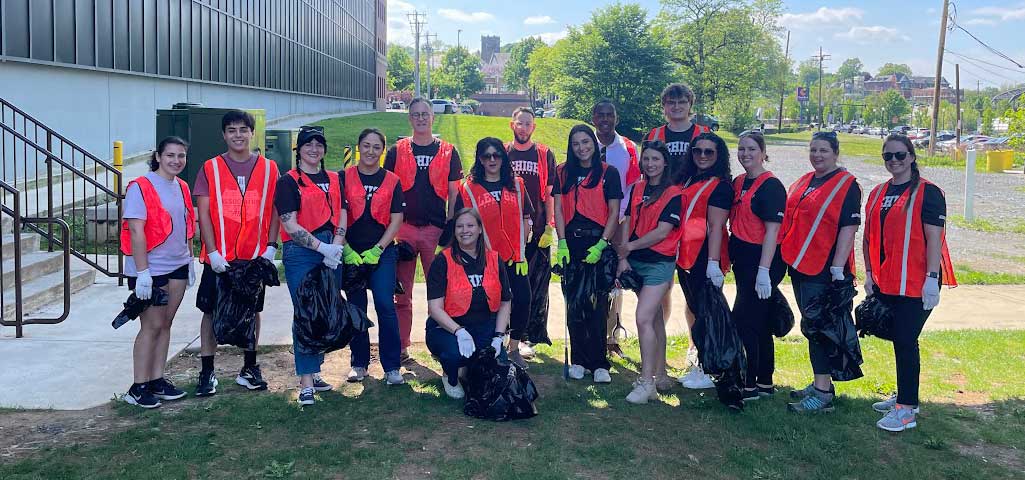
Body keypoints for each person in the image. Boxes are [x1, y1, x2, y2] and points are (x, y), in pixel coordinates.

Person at [863, 134, 956, 431]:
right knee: (899, 339)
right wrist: (869, 275)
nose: (894, 161)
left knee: (904, 339)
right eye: (888, 156)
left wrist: (931, 279)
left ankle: (906, 411)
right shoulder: (878, 192)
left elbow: (934, 239)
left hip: (917, 281)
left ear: (912, 157)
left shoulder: (929, 192)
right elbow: (869, 238)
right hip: (889, 280)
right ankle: (906, 397)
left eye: (900, 155)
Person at [193, 110, 280, 396]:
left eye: (243, 129)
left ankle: (249, 367)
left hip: (254, 255)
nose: (238, 135)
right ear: (224, 135)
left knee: (253, 310)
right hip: (221, 258)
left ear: (252, 132)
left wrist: (271, 245)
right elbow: (203, 214)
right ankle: (207, 371)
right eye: (232, 130)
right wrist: (213, 251)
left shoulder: (269, 168)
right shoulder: (211, 167)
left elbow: (275, 209)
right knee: (210, 311)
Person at [781, 131, 862, 414]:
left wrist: (838, 268)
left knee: (818, 329)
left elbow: (848, 228)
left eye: (823, 150)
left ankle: (823, 394)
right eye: (813, 150)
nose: (817, 155)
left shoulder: (847, 184)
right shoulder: (806, 180)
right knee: (812, 326)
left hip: (825, 269)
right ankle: (820, 383)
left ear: (835, 152)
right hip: (801, 265)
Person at [275, 126, 351, 406]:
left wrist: (338, 244)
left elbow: (342, 211)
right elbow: (289, 223)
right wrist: (321, 247)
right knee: (306, 312)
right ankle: (306, 380)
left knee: (326, 309)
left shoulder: (334, 178)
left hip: (332, 246)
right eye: (308, 144)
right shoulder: (289, 181)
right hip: (303, 251)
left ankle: (315, 369)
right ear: (299, 149)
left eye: (319, 144)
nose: (314, 149)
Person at [384, 97, 464, 362]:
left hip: (435, 230)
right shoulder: (397, 151)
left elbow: (454, 194)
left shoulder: (448, 151)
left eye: (425, 114)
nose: (420, 118)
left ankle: (440, 346)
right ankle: (402, 347)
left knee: (440, 294)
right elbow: (388, 190)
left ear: (433, 117)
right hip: (404, 229)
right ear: (409, 119)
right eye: (415, 114)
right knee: (401, 293)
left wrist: (449, 228)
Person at [120, 137, 195, 408]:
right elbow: (137, 231)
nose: (176, 160)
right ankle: (138, 387)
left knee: (165, 325)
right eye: (171, 155)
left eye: (181, 156)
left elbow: (186, 223)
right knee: (150, 326)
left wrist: (189, 259)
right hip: (150, 270)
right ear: (159, 156)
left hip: (177, 266)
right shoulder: (141, 187)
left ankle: (156, 380)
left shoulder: (182, 187)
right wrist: (142, 272)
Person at [449, 137, 533, 368]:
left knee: (523, 300)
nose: (492, 159)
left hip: (515, 258)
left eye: (496, 154)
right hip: (485, 260)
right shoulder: (468, 188)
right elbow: (461, 223)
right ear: (479, 159)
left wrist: (523, 249)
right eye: (486, 156)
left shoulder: (516, 184)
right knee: (492, 305)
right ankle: (493, 348)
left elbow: (526, 217)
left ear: (503, 157)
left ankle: (514, 347)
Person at [553, 125, 623, 383]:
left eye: (585, 142)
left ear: (593, 143)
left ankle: (599, 363)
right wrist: (561, 242)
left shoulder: (609, 173)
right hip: (571, 244)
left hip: (597, 245)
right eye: (575, 144)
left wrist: (602, 244)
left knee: (597, 304)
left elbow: (614, 212)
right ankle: (580, 361)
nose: (581, 148)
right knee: (574, 304)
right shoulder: (562, 172)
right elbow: (558, 210)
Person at [616, 140, 684, 404]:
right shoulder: (637, 188)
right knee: (654, 318)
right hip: (636, 261)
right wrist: (624, 257)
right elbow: (628, 221)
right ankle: (660, 374)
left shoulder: (674, 193)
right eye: (646, 159)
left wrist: (628, 246)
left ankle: (646, 383)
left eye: (656, 159)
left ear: (665, 162)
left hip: (659, 263)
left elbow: (663, 231)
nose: (650, 164)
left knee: (643, 318)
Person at [425, 208, 512, 399]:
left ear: (480, 229)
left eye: (470, 225)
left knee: (498, 370)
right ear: (454, 231)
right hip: (447, 328)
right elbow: (435, 309)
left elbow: (505, 302)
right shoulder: (443, 261)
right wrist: (459, 331)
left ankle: (466, 368)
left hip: (484, 326)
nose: (465, 230)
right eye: (460, 226)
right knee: (455, 354)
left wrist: (498, 337)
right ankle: (450, 375)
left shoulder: (494, 259)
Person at [728, 132, 788, 401]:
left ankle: (748, 383)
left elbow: (772, 232)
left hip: (763, 259)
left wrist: (764, 271)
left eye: (752, 149)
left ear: (763, 152)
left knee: (745, 320)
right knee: (760, 321)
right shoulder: (739, 181)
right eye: (741, 149)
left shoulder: (771, 186)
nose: (745, 154)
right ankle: (764, 380)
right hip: (743, 259)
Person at [344, 128, 406, 385]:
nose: (370, 151)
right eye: (366, 146)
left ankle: (391, 366)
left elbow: (397, 219)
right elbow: (335, 214)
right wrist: (346, 248)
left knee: (384, 304)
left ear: (383, 151)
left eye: (376, 147)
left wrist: (379, 249)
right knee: (356, 308)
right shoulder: (342, 177)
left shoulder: (392, 180)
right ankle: (359, 364)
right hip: (351, 254)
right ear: (359, 147)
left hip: (381, 253)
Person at [675, 132, 734, 390]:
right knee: (697, 311)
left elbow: (716, 225)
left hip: (704, 258)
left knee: (708, 315)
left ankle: (710, 370)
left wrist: (712, 263)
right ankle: (701, 363)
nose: (702, 156)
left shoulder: (720, 185)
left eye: (708, 152)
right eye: (697, 151)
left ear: (718, 155)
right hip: (686, 256)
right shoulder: (689, 179)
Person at [506, 107, 558, 360]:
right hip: (508, 233)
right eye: (519, 123)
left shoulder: (544, 154)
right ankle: (505, 333)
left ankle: (527, 336)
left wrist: (549, 225)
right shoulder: (504, 153)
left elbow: (549, 194)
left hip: (537, 232)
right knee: (509, 285)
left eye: (528, 124)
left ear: (533, 127)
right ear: (512, 125)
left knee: (536, 286)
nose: (523, 127)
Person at [592, 100, 640, 360]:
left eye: (610, 115)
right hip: (591, 222)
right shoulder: (585, 144)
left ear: (616, 118)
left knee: (617, 278)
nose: (605, 119)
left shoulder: (629, 149)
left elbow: (633, 188)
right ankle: (592, 332)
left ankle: (612, 337)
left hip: (619, 221)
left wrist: (625, 221)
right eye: (600, 115)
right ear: (593, 117)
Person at [643, 83, 711, 171]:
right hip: (662, 185)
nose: (676, 106)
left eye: (682, 102)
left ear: (690, 104)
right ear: (664, 105)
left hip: (697, 184)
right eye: (671, 102)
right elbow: (646, 172)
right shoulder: (652, 136)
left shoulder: (706, 134)